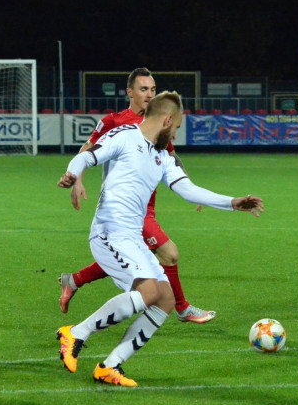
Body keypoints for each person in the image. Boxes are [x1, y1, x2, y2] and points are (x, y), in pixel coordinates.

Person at [55, 91, 264, 387]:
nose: (176, 133)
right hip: (109, 231)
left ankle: (110, 366)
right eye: (176, 127)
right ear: (167, 120)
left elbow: (188, 189)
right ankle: (75, 333)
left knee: (164, 299)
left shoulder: (161, 156)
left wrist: (232, 202)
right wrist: (72, 174)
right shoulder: (125, 136)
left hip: (132, 238)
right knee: (150, 291)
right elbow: (88, 155)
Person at [58, 67, 216, 323]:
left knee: (135, 255)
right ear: (129, 92)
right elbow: (89, 147)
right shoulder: (115, 121)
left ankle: (73, 280)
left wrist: (191, 188)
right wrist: (77, 179)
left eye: (153, 89)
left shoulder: (158, 121)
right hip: (126, 210)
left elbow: (171, 157)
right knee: (170, 253)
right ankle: (181, 308)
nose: (149, 94)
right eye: (144, 89)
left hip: (147, 207)